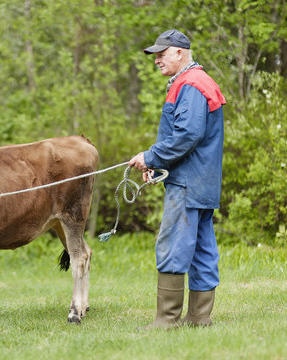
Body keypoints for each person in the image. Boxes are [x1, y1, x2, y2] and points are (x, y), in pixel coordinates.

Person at [129, 29, 226, 329]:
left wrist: (150, 156)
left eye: (162, 53)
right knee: (201, 248)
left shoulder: (191, 84)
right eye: (155, 54)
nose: (156, 59)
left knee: (172, 244)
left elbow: (187, 135)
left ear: (180, 53)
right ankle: (199, 318)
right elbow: (188, 137)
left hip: (187, 183)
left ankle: (167, 320)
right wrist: (157, 165)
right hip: (202, 181)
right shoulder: (197, 81)